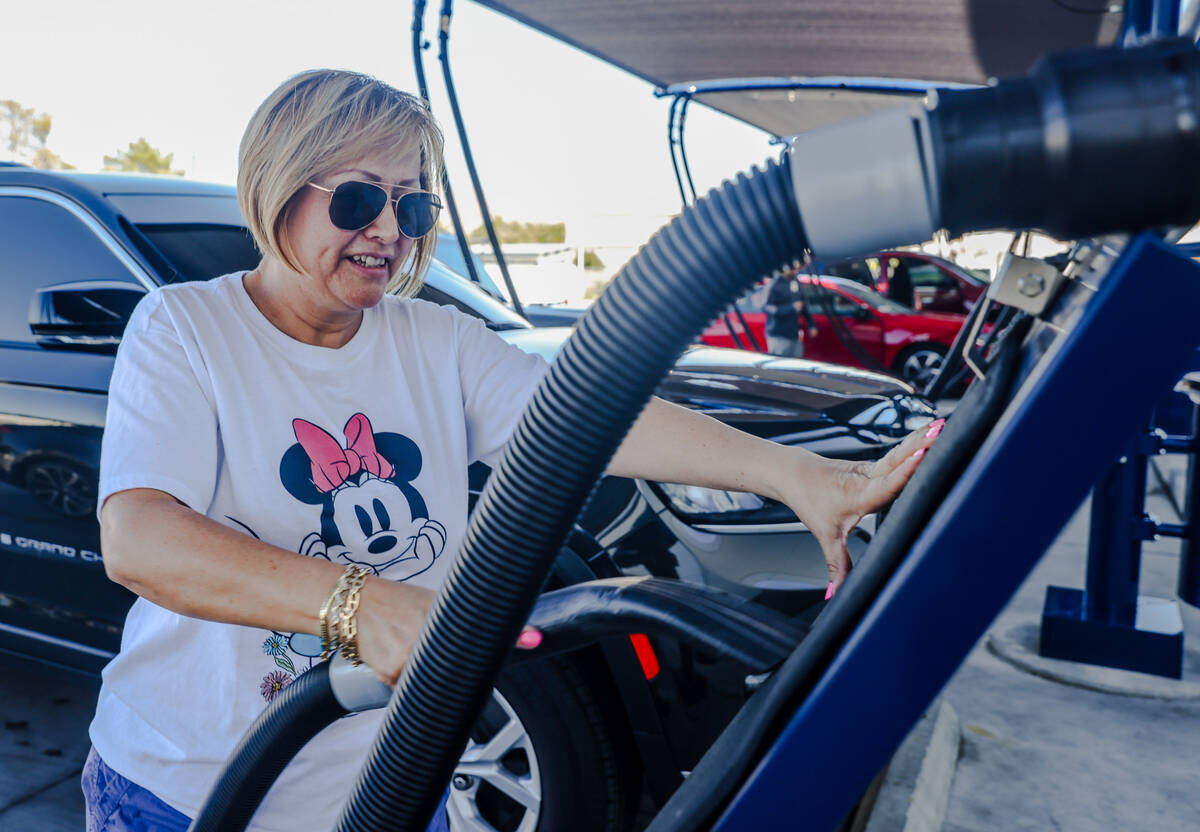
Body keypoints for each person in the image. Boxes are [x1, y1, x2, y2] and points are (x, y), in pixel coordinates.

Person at [83, 69, 940, 832]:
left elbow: (594, 417)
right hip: (185, 792)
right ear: (276, 188)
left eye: (413, 206)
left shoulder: (435, 341)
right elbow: (141, 539)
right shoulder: (188, 328)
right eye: (358, 198)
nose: (389, 228)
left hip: (389, 788)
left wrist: (801, 475)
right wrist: (360, 604)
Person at [764, 270, 818, 357]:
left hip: (794, 334)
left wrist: (811, 324)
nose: (795, 269)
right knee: (779, 365)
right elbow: (768, 308)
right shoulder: (774, 284)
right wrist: (791, 308)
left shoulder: (795, 281)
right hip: (778, 335)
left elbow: (803, 305)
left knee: (795, 364)